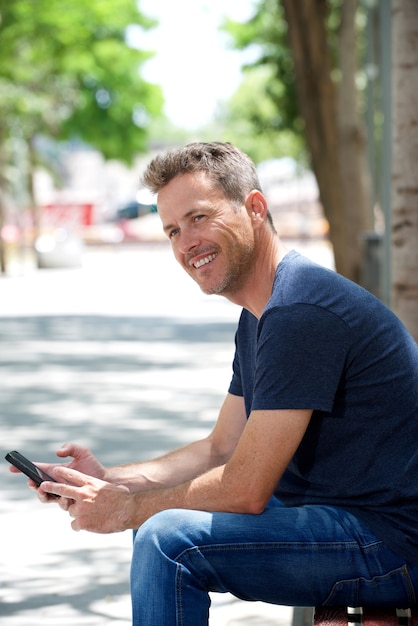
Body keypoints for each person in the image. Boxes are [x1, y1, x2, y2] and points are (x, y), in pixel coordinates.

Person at [10, 142, 418, 625]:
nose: (186, 243)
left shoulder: (301, 312)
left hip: (388, 539)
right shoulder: (262, 313)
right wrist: (109, 481)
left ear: (255, 208)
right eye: (173, 230)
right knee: (157, 528)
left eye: (199, 217)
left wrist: (127, 509)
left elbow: (245, 489)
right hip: (339, 517)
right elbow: (222, 446)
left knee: (167, 540)